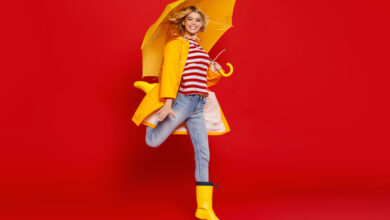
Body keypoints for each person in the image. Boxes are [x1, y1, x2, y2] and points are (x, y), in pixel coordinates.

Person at [132, 6, 228, 220]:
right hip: (183, 101)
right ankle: (151, 100)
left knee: (203, 154)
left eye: (197, 20)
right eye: (190, 19)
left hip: (199, 104)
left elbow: (204, 80)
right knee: (153, 141)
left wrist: (213, 71)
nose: (194, 23)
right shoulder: (176, 44)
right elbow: (171, 73)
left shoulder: (201, 49)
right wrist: (167, 103)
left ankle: (203, 208)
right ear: (183, 22)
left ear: (202, 24)